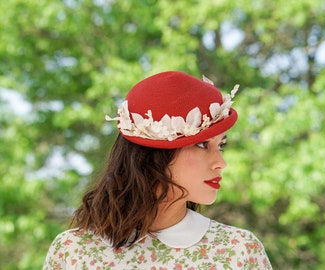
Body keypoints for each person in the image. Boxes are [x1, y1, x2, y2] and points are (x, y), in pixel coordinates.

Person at [43, 71, 272, 269]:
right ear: (154, 155)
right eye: (202, 144)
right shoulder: (73, 252)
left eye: (220, 145)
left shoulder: (238, 252)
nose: (220, 162)